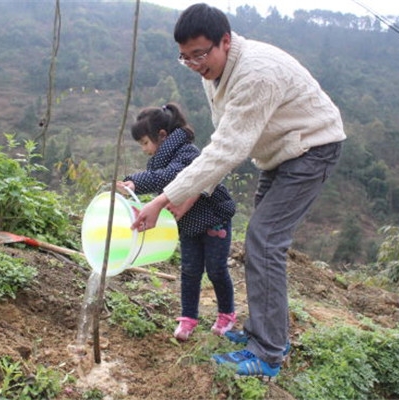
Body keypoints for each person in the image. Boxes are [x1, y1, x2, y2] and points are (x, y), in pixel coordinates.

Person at [130, 3, 346, 378]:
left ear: (225, 42)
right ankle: (263, 333)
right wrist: (190, 194)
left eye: (200, 54)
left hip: (310, 149)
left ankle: (268, 353)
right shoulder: (211, 71)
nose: (195, 64)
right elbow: (223, 143)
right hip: (277, 153)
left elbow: (229, 148)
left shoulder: (255, 73)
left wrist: (165, 198)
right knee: (259, 243)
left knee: (264, 242)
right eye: (186, 58)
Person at [117, 103, 236, 341]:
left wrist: (136, 182)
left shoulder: (187, 154)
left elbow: (174, 177)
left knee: (216, 269)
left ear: (162, 136)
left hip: (214, 219)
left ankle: (226, 313)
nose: (144, 149)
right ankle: (189, 317)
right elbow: (163, 192)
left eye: (144, 143)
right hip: (189, 225)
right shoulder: (160, 160)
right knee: (190, 270)